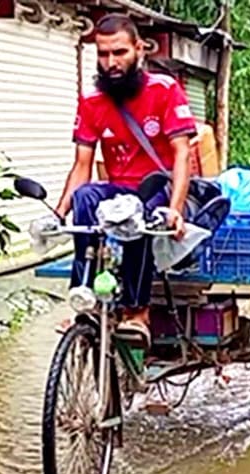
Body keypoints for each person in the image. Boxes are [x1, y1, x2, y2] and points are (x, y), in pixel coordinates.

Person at [50, 14, 197, 345]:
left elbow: (182, 155)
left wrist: (176, 209)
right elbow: (82, 165)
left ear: (139, 50)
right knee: (86, 196)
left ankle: (137, 310)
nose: (111, 62)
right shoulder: (91, 102)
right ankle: (84, 297)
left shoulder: (165, 90)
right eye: (103, 54)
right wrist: (58, 213)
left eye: (119, 53)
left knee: (138, 211)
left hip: (157, 188)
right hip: (118, 190)